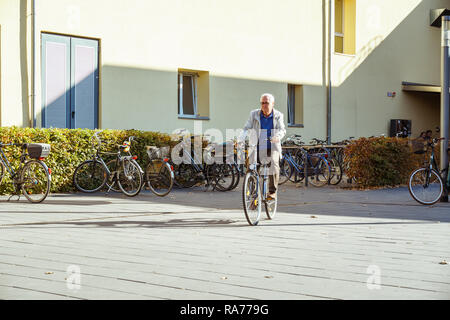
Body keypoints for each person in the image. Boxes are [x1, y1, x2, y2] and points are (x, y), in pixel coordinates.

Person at [241, 93, 286, 201]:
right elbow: (246, 128)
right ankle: (253, 194)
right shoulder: (254, 114)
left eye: (267, 103)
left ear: (272, 104)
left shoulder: (278, 115)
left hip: (272, 146)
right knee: (251, 167)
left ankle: (272, 192)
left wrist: (277, 137)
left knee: (274, 164)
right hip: (257, 146)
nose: (264, 105)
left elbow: (282, 130)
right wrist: (240, 139)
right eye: (262, 103)